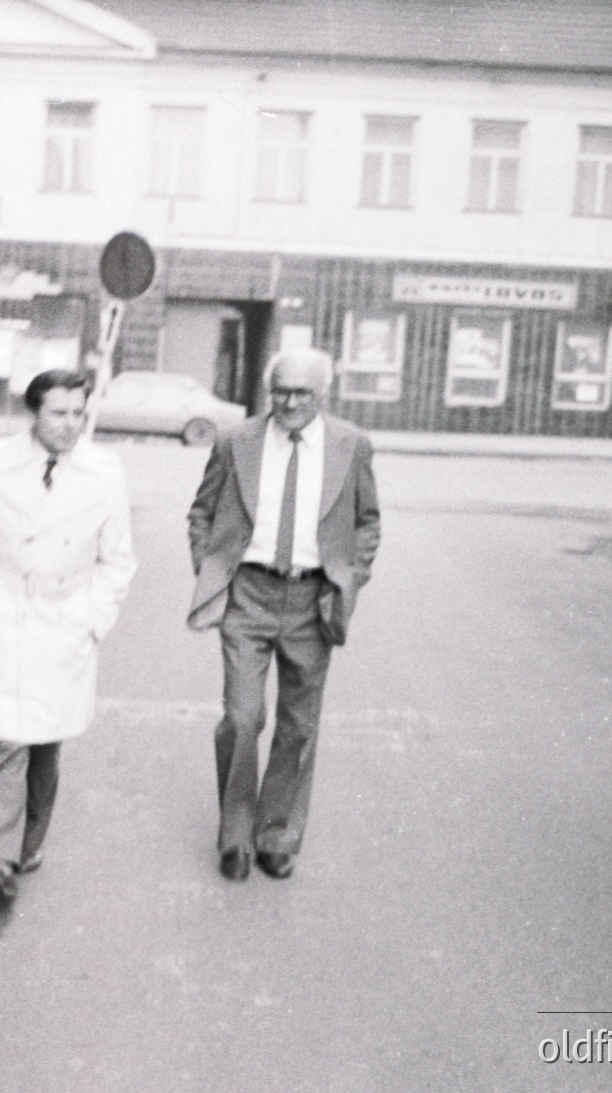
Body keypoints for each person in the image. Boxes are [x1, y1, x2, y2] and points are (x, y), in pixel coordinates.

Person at [186, 346, 380, 882]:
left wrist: (350, 577)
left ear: (324, 394)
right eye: (280, 390)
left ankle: (275, 834)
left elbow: (367, 523)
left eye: (302, 393)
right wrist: (211, 571)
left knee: (298, 725)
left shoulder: (352, 446)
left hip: (313, 599)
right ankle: (234, 837)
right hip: (248, 593)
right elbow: (202, 512)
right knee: (243, 718)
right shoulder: (235, 441)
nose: (289, 402)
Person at [0, 369, 137, 900]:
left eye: (79, 413)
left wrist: (91, 621)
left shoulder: (104, 471)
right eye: (59, 413)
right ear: (34, 413)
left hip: (65, 620)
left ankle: (28, 843)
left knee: (45, 744)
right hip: (4, 614)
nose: (71, 424)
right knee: (7, 737)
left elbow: (117, 560)